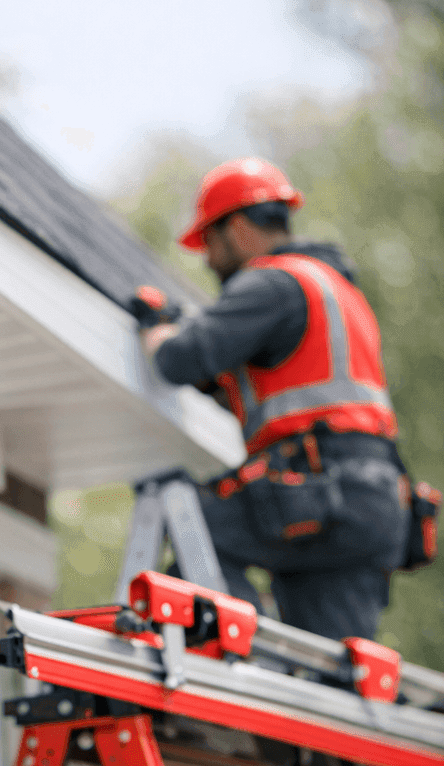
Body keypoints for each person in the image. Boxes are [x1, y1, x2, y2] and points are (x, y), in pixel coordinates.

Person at [140, 157, 408, 642]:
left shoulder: (270, 282)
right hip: (375, 502)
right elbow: (271, 391)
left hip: (317, 490)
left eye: (210, 242)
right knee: (334, 663)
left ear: (239, 228)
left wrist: (158, 334)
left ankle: (238, 654)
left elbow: (181, 359)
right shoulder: (338, 291)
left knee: (191, 519)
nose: (208, 260)